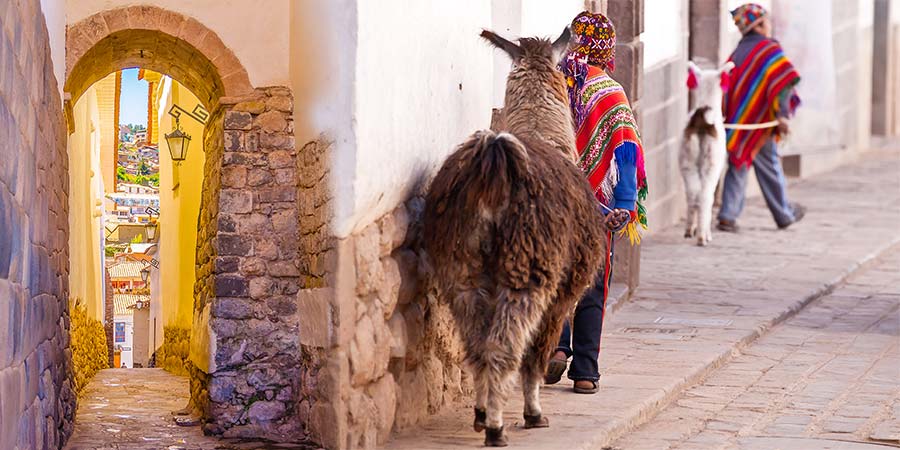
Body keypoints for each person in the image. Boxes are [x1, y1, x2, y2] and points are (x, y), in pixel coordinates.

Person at [544, 11, 648, 394]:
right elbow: (624, 150)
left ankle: (556, 345)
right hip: (599, 207)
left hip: (556, 196)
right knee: (592, 283)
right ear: (606, 48)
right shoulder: (611, 92)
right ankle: (586, 371)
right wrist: (623, 205)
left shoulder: (555, 85)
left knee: (557, 275)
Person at [717, 3, 805, 232]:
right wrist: (783, 116)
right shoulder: (769, 49)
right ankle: (784, 213)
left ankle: (727, 214)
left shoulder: (737, 53)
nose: (769, 26)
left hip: (739, 121)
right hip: (761, 121)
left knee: (738, 163)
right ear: (758, 25)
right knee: (769, 166)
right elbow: (783, 83)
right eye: (766, 21)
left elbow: (728, 88)